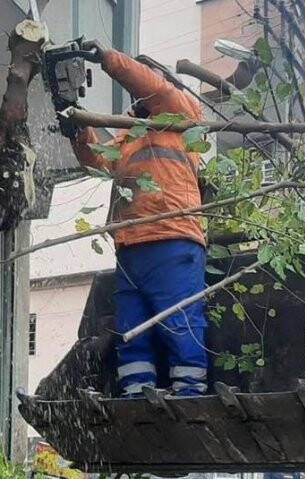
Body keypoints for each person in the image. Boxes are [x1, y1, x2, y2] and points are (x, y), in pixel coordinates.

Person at [61, 40, 208, 398]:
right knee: (134, 329)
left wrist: (110, 59)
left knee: (180, 323)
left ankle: (190, 394)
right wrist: (77, 128)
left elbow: (154, 87)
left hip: (173, 237)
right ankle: (136, 392)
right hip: (131, 246)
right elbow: (96, 162)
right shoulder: (129, 136)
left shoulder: (182, 113)